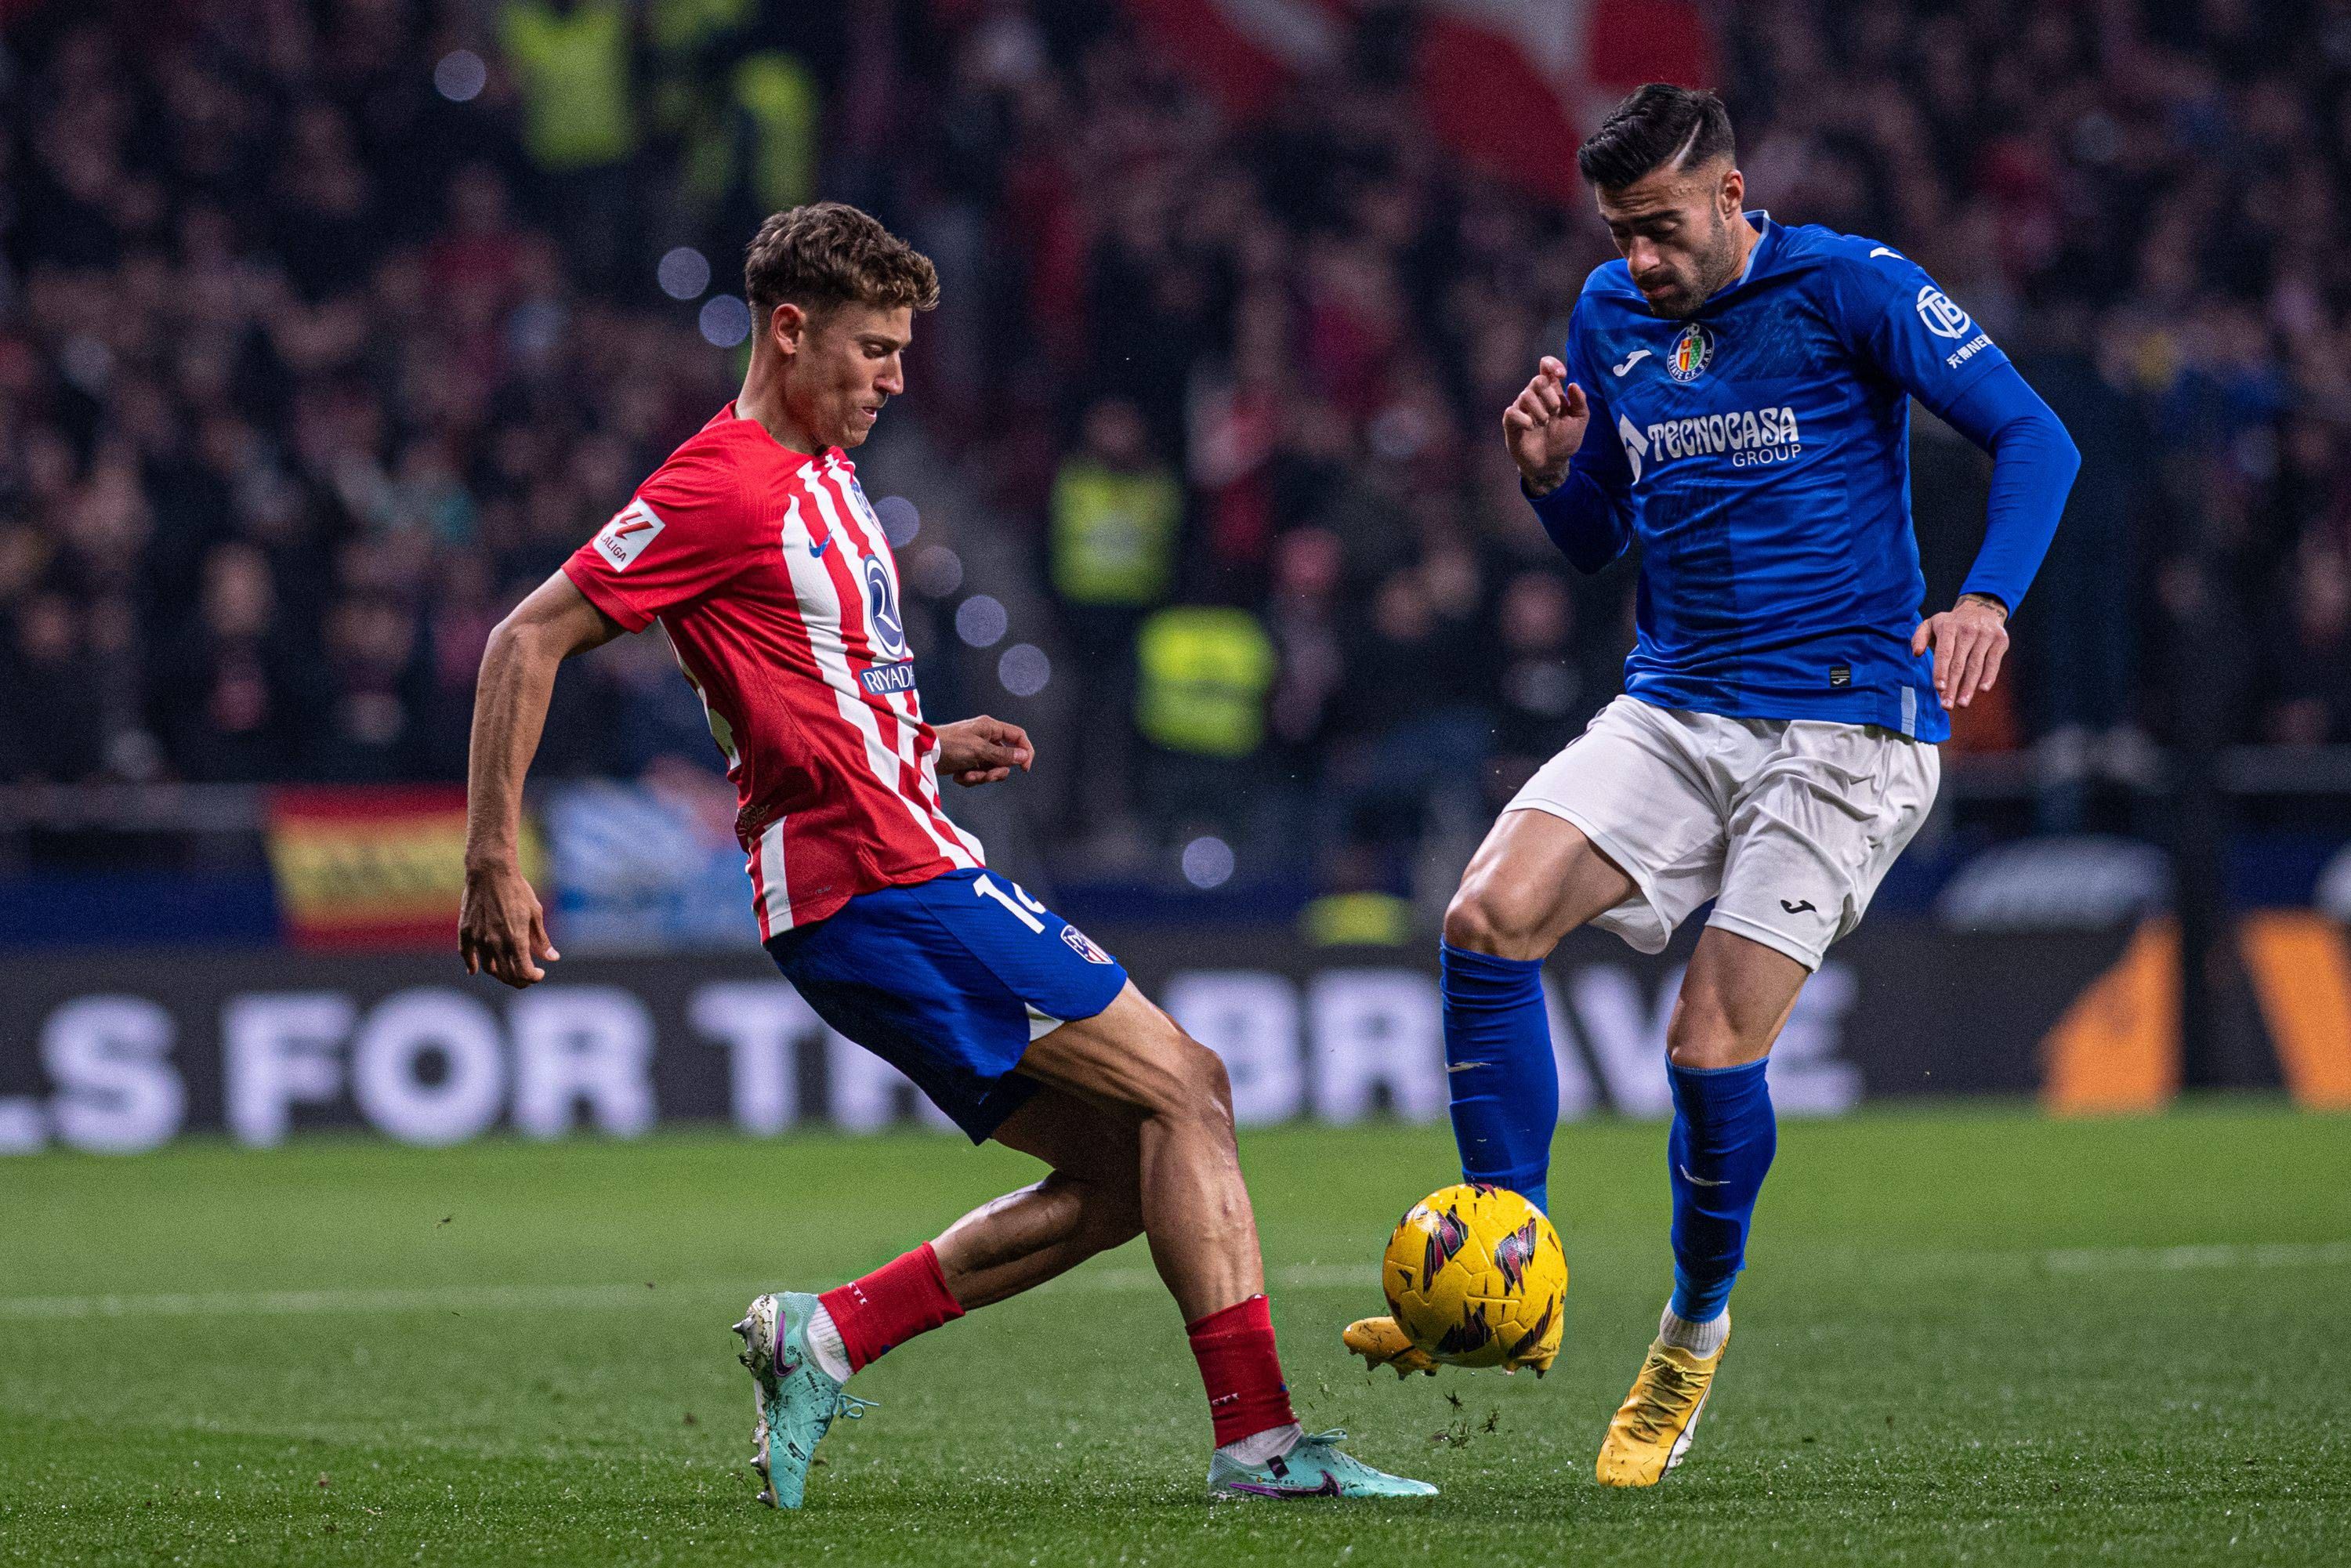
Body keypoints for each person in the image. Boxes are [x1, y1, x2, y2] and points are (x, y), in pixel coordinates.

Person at [457, 201, 1433, 1507]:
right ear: (789, 331)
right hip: (877, 883)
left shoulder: (832, 477)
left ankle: (831, 1333)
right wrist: (490, 859)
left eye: (904, 349)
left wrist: (916, 742)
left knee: (1132, 1165)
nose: (896, 377)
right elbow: (524, 641)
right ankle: (1258, 1444)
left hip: (890, 853)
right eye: (873, 349)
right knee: (1188, 1089)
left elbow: (802, 697)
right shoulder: (722, 482)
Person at [1342, 86, 2080, 1487]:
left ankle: (1690, 1335)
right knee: (1485, 920)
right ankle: (1512, 1269)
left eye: (1666, 231)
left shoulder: (1852, 286)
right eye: (1621, 234)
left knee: (1704, 1046)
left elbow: (2039, 438)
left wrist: (1986, 597)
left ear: (1736, 197)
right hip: (1679, 699)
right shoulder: (1608, 313)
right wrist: (1550, 477)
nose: (1642, 264)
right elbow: (1599, 534)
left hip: (1847, 723)